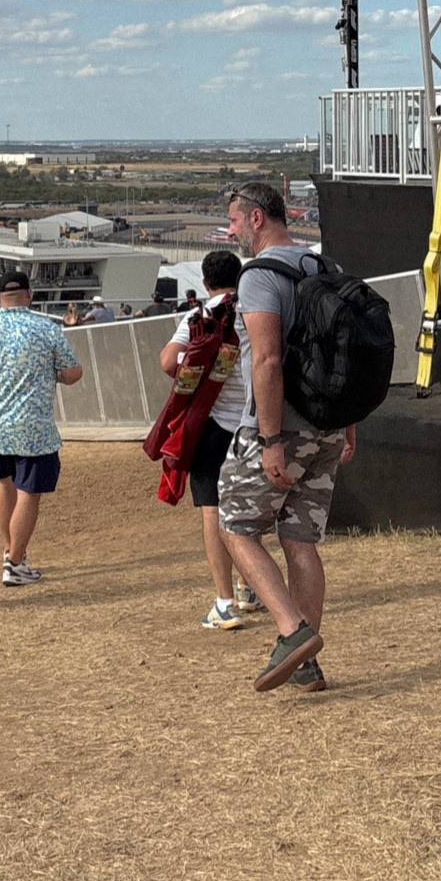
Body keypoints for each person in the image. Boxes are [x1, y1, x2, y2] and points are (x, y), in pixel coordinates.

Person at [217, 182, 356, 695]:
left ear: (256, 219)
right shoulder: (325, 268)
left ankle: (291, 631)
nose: (230, 230)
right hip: (326, 427)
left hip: (279, 429)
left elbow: (268, 360)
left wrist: (271, 439)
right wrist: (348, 420)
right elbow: (345, 353)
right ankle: (308, 662)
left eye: (233, 220)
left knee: (235, 526)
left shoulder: (259, 278)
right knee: (300, 539)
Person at [0, 268, 83, 587]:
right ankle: (15, 563)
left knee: (5, 486)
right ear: (29, 295)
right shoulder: (47, 329)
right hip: (34, 429)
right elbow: (72, 372)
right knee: (30, 493)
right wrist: (50, 374)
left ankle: (10, 551)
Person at [159, 248, 259, 631]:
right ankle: (250, 587)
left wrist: (194, 381)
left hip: (214, 425)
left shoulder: (200, 316)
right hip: (251, 422)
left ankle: (224, 602)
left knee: (212, 509)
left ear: (205, 283)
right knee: (248, 507)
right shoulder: (253, 310)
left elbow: (169, 361)